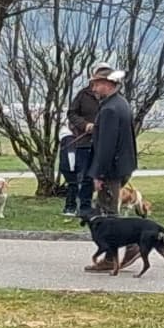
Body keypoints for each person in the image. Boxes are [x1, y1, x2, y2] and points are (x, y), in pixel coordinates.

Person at [84, 65, 139, 272]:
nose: (94, 88)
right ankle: (114, 253)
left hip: (110, 170)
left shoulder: (109, 109)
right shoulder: (121, 104)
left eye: (96, 84)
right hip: (122, 166)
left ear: (108, 84)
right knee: (107, 211)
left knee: (108, 215)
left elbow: (106, 146)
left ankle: (124, 249)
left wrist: (98, 174)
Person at [67, 61, 112, 217]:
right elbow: (71, 114)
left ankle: (104, 206)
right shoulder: (82, 95)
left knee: (104, 176)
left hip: (103, 143)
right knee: (85, 176)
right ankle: (84, 208)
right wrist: (85, 125)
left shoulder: (111, 98)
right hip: (84, 141)